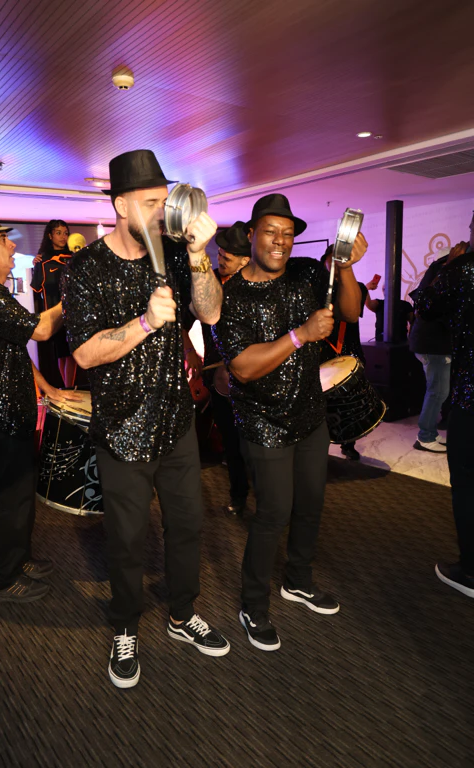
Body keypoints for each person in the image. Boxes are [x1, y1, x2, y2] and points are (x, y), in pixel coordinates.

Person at [62, 149, 230, 689]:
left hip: (177, 420)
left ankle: (182, 614)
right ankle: (125, 625)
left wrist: (200, 256)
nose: (163, 212)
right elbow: (84, 353)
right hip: (121, 425)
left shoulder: (178, 254)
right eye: (152, 202)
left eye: (165, 201)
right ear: (120, 205)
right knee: (128, 539)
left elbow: (211, 312)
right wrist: (144, 322)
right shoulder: (85, 268)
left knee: (187, 526)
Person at [213, 193, 368, 651]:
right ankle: (253, 605)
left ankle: (298, 581)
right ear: (251, 235)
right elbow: (243, 368)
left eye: (287, 233)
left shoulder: (306, 274)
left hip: (310, 415)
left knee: (311, 504)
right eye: (270, 231)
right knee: (273, 513)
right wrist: (300, 335)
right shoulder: (230, 296)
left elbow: (352, 311)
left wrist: (345, 267)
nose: (280, 240)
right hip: (264, 422)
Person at [0, 211, 78, 603]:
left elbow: (14, 347)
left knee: (20, 497)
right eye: (3, 240)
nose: (13, 245)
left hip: (10, 414)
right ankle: (2, 579)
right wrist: (69, 294)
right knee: (7, 501)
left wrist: (46, 386)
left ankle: (19, 559)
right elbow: (41, 330)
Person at [415, 221, 474, 599]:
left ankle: (470, 571)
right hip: (438, 353)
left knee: (467, 482)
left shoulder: (463, 270)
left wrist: (448, 265)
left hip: (471, 396)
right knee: (436, 391)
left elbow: (423, 302)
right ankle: (425, 434)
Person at [187, 221, 251, 514]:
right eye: (220, 253)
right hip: (219, 378)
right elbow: (181, 324)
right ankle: (238, 495)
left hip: (253, 376)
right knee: (231, 439)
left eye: (228, 256)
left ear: (246, 260)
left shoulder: (255, 286)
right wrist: (191, 354)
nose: (221, 259)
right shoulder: (207, 281)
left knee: (256, 442)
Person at [320, 245, 369, 461]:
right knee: (324, 405)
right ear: (324, 262)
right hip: (324, 353)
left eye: (341, 262)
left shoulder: (358, 288)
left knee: (351, 405)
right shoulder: (316, 289)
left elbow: (352, 313)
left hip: (350, 350)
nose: (337, 266)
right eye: (333, 262)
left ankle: (349, 443)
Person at [408, 250, 453, 453]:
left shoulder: (433, 282)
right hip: (434, 346)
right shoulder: (440, 283)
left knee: (437, 391)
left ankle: (430, 433)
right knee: (437, 392)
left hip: (430, 345)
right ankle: (425, 436)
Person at [31, 220, 76, 387]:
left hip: (74, 313)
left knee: (71, 353)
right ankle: (67, 387)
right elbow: (36, 289)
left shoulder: (74, 259)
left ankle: (68, 388)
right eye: (58, 233)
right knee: (62, 353)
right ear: (50, 236)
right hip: (53, 315)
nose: (63, 236)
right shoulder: (43, 261)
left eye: (65, 233)